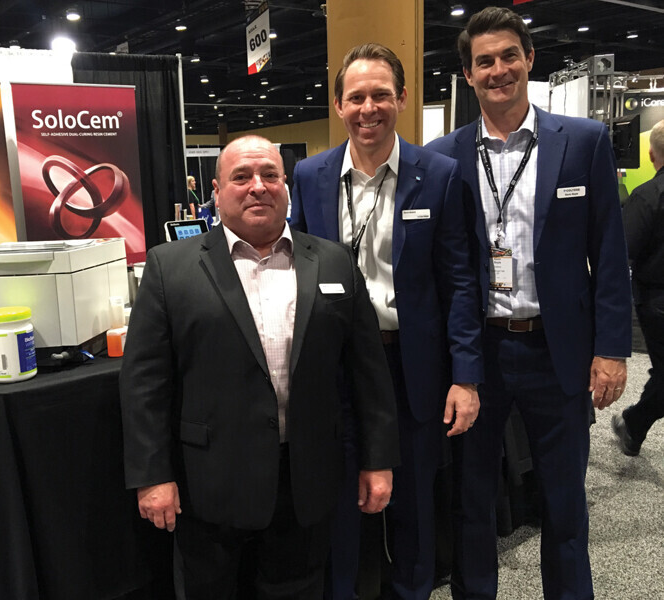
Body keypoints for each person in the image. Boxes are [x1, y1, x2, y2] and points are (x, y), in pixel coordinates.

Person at [121, 135, 401, 600]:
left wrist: (378, 461)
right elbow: (144, 384)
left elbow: (368, 374)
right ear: (216, 191)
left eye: (270, 175)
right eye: (242, 176)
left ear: (285, 186)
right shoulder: (170, 267)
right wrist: (151, 475)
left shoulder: (333, 261)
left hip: (305, 480)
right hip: (209, 483)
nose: (258, 186)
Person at [425, 6, 632, 599]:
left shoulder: (583, 142)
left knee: (564, 506)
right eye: (484, 61)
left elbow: (608, 254)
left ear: (530, 59)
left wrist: (612, 350)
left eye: (509, 56)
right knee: (472, 503)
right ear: (468, 74)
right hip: (477, 356)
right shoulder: (443, 157)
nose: (499, 70)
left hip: (557, 351)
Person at [291, 44, 483, 600]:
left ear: (401, 98)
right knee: (340, 506)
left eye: (380, 95)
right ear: (338, 105)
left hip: (410, 365)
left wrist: (466, 377)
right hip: (337, 367)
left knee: (414, 506)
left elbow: (460, 282)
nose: (368, 108)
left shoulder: (439, 175)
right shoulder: (309, 175)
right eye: (356, 97)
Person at [614, 119, 664, 456]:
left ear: (650, 154)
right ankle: (634, 423)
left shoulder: (647, 196)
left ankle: (634, 422)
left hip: (655, 301)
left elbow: (623, 250)